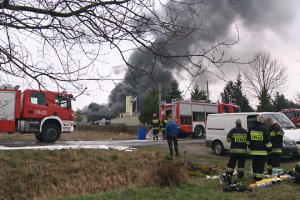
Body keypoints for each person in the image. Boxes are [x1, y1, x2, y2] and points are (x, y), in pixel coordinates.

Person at [246, 114, 272, 181]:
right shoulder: (264, 128)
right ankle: (259, 178)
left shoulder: (251, 128)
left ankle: (254, 176)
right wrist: (269, 150)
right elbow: (267, 141)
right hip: (262, 152)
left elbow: (248, 140)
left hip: (253, 151)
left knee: (254, 164)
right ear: (263, 121)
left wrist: (251, 147)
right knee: (260, 165)